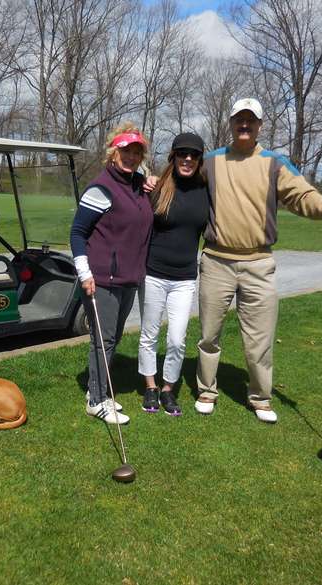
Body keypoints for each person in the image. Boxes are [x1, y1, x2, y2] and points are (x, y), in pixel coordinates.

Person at [195, 97, 322, 423]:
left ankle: (260, 397)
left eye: (250, 120)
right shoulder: (210, 162)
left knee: (260, 337)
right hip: (216, 260)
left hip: (259, 264)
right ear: (231, 123)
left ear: (259, 126)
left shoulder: (273, 163)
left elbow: (302, 194)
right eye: (239, 119)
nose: (244, 125)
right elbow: (177, 180)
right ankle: (206, 390)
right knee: (209, 334)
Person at [69, 122, 154, 425]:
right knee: (102, 340)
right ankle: (96, 399)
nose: (131, 156)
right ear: (113, 153)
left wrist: (148, 181)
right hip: (102, 278)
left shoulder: (137, 185)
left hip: (129, 278)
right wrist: (84, 272)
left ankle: (101, 391)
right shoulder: (101, 188)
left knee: (113, 337)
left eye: (136, 152)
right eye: (126, 151)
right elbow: (78, 233)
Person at [138, 133, 209, 416]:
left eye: (193, 154)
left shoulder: (206, 191)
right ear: (173, 156)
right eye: (182, 153)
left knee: (177, 339)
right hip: (153, 274)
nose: (187, 159)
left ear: (199, 159)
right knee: (149, 335)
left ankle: (168, 389)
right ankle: (150, 387)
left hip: (185, 279)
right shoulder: (157, 187)